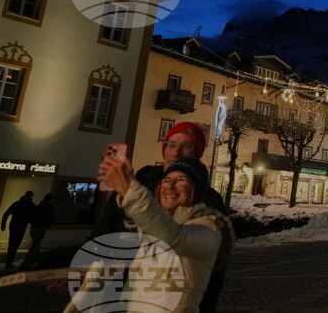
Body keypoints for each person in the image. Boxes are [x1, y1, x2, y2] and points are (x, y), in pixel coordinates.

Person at [90, 122, 230, 312]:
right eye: (171, 145)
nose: (176, 152)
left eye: (186, 146)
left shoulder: (209, 206)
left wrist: (129, 190)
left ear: (198, 153)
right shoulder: (140, 185)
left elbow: (176, 239)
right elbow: (104, 235)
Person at [0, 191, 35, 269]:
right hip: (22, 226)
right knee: (16, 244)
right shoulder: (30, 205)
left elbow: (5, 214)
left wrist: (3, 225)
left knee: (11, 244)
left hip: (13, 225)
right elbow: (34, 216)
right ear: (30, 197)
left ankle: (8, 263)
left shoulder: (16, 204)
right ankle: (9, 263)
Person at [20, 193, 55, 270]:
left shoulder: (38, 207)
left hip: (33, 228)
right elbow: (51, 218)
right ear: (51, 199)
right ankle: (26, 264)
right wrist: (46, 225)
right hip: (40, 228)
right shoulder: (49, 208)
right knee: (34, 246)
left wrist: (33, 223)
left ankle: (36, 261)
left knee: (36, 245)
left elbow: (30, 217)